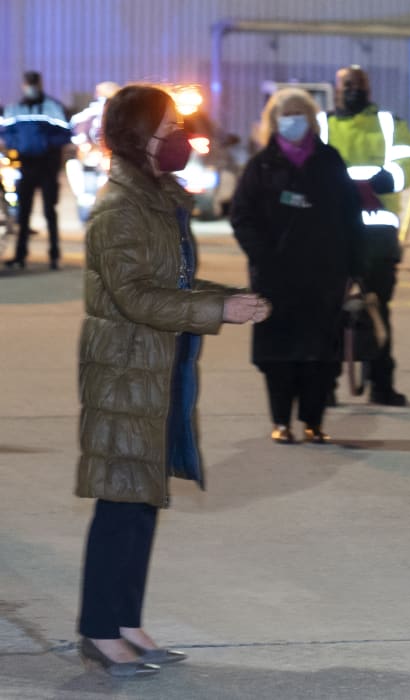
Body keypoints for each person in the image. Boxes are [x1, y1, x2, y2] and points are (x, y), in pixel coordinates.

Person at [76, 84, 270, 677]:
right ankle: (99, 629)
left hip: (160, 369)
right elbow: (135, 297)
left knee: (144, 501)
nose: (179, 139)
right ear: (138, 139)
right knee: (121, 503)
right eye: (167, 129)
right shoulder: (118, 208)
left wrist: (227, 299)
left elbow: (175, 286)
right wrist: (217, 312)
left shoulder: (159, 199)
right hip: (125, 373)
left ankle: (126, 619)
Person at [231, 88, 364, 444]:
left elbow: (351, 216)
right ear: (274, 120)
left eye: (299, 112)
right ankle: (281, 421)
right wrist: (263, 256)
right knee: (278, 354)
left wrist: (354, 267)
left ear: (311, 119)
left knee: (321, 353)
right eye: (286, 113)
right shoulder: (261, 166)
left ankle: (313, 421)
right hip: (275, 278)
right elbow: (242, 216)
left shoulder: (329, 161)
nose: (293, 120)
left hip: (325, 276)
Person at [327, 65, 410, 407]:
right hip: (334, 235)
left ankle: (382, 384)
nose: (353, 90)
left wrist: (386, 179)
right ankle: (326, 386)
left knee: (377, 311)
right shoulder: (323, 125)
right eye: (347, 84)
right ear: (336, 88)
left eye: (359, 84)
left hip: (378, 235)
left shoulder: (390, 123)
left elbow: (408, 163)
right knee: (330, 312)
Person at [1, 71, 70, 270]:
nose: (31, 87)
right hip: (26, 164)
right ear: (24, 85)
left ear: (39, 84)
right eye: (28, 83)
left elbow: (65, 133)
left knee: (50, 212)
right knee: (23, 213)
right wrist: (20, 145)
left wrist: (45, 144)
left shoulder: (52, 107)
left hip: (47, 165)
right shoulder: (15, 108)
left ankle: (54, 255)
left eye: (33, 83)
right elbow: (6, 133)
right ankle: (20, 255)